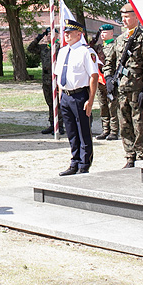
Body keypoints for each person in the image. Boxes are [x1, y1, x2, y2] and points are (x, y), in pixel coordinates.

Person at [105, 3, 143, 168]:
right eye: (122, 17)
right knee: (124, 125)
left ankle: (141, 158)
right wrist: (108, 78)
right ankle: (129, 157)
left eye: (127, 16)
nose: (124, 20)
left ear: (136, 17)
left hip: (137, 91)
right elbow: (109, 62)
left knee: (140, 125)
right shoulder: (120, 40)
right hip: (122, 91)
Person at [54, 19, 100, 175]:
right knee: (71, 132)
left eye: (70, 33)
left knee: (83, 131)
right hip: (66, 96)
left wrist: (91, 100)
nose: (66, 35)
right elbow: (59, 75)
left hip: (80, 95)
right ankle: (74, 162)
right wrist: (61, 96)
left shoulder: (86, 51)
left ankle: (84, 164)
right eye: (65, 33)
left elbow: (94, 76)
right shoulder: (62, 52)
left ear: (79, 34)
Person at [27, 26, 56, 134]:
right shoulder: (43, 48)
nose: (49, 36)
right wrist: (38, 38)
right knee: (49, 103)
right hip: (46, 79)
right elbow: (30, 49)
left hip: (56, 80)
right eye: (47, 34)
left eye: (51, 34)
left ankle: (59, 125)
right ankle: (52, 124)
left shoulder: (59, 47)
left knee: (57, 103)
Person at [93, 24, 119, 141]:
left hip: (111, 79)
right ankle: (105, 130)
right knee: (103, 106)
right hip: (100, 80)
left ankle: (114, 131)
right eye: (101, 33)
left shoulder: (115, 46)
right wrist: (95, 37)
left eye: (105, 32)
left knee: (112, 106)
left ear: (111, 33)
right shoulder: (98, 47)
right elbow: (89, 48)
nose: (103, 35)